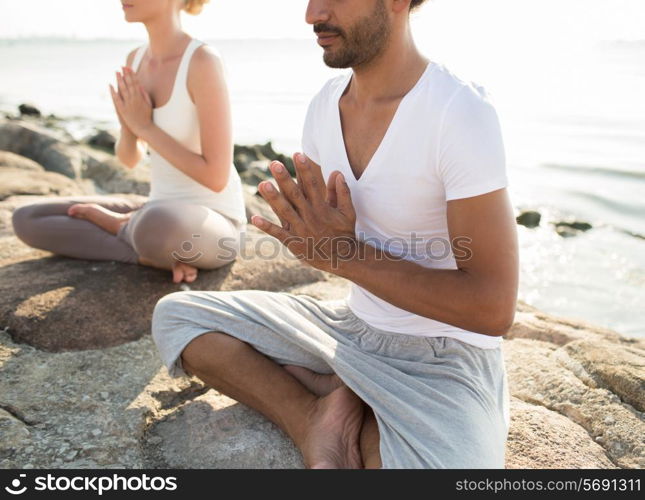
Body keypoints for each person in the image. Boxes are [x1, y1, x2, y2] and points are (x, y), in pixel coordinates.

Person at [151, 0, 519, 468]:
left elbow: (493, 309)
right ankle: (314, 418)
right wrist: (320, 244)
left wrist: (343, 256)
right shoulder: (326, 105)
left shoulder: (458, 111)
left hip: (443, 358)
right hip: (350, 331)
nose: (312, 14)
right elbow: (323, 241)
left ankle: (348, 393)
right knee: (178, 317)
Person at [11, 0, 247, 284]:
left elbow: (216, 176)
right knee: (27, 219)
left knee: (158, 224)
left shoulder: (202, 61)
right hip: (155, 208)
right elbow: (129, 158)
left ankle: (125, 227)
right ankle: (146, 254)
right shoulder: (135, 60)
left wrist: (144, 126)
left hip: (214, 224)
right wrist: (129, 126)